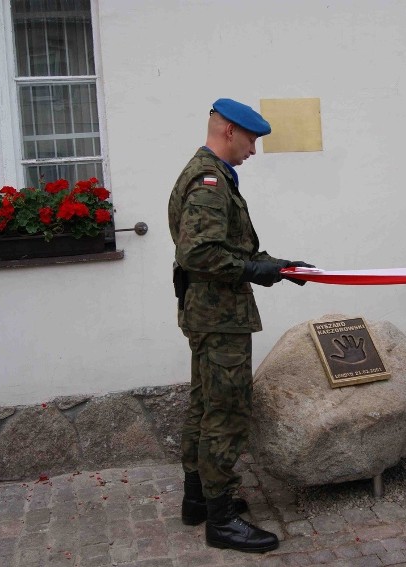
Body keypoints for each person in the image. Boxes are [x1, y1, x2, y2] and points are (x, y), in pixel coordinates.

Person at [168, 98, 313, 553]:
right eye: (251, 138)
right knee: (226, 411)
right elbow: (198, 253)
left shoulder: (211, 175)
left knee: (205, 405)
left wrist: (277, 265)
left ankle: (199, 500)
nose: (254, 149)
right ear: (229, 130)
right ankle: (221, 519)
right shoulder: (210, 181)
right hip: (219, 315)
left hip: (210, 312)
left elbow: (225, 246)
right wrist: (254, 271)